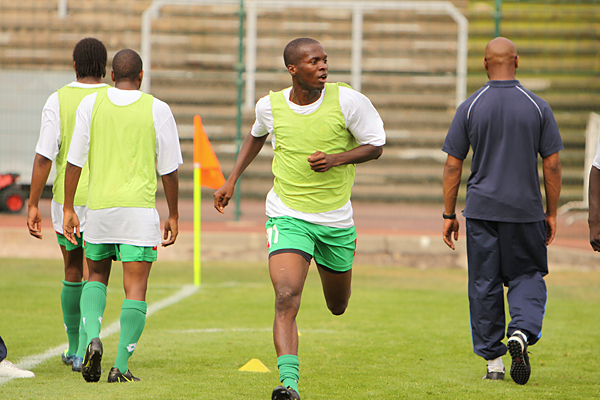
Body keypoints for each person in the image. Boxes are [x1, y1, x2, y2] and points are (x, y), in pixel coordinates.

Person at [214, 37, 385, 400]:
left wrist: (336, 159)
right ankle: (288, 385)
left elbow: (376, 145)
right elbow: (255, 137)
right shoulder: (269, 106)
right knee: (286, 295)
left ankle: (336, 269)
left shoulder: (348, 101)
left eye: (325, 60)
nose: (323, 66)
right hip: (287, 213)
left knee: (337, 306)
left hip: (335, 220)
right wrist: (232, 179)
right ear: (293, 69)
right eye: (313, 61)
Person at [441, 37, 563, 385]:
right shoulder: (538, 107)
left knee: (484, 283)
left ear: (484, 64)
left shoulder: (470, 106)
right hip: (525, 210)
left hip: (481, 210)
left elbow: (453, 166)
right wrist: (551, 213)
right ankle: (521, 333)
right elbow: (552, 166)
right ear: (517, 61)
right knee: (527, 275)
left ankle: (493, 364)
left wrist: (449, 215)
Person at [62, 48, 182, 383]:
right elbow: (169, 170)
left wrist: (69, 207)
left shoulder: (92, 104)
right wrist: (173, 214)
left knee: (95, 276)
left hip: (99, 210)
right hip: (138, 212)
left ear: (111, 76)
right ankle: (120, 366)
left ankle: (91, 341)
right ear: (141, 76)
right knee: (136, 289)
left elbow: (74, 161)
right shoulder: (157, 109)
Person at [27, 37, 108, 373]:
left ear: (74, 65)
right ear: (106, 68)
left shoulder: (57, 100)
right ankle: (93, 338)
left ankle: (75, 349)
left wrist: (32, 203)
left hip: (68, 200)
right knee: (96, 274)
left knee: (72, 270)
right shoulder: (114, 99)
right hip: (107, 199)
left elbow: (45, 155)